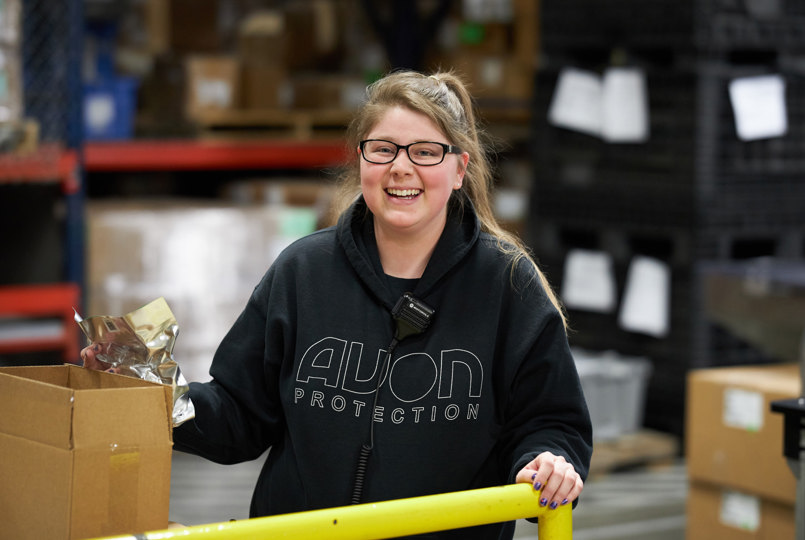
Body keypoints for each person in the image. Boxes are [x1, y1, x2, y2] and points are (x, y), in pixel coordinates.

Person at [82, 69, 592, 539]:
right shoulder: (304, 271)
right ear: (361, 159)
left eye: (425, 152)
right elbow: (240, 414)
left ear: (459, 168)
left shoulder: (507, 284)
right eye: (383, 149)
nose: (401, 168)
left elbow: (552, 421)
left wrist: (548, 459)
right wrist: (152, 396)